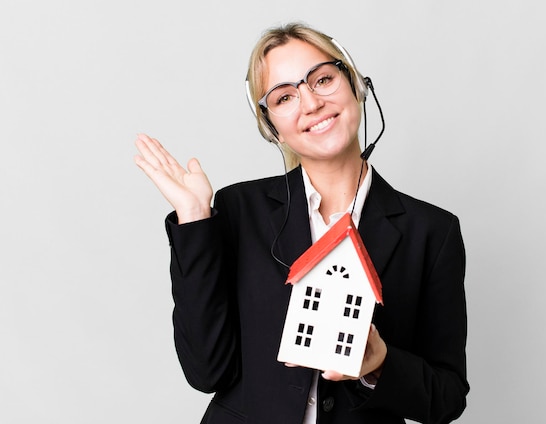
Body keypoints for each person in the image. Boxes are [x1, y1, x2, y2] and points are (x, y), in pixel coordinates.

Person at [134, 22, 468, 424]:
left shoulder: (433, 232)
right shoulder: (239, 209)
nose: (310, 103)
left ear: (357, 85)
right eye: (285, 96)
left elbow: (446, 397)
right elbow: (206, 371)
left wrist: (380, 363)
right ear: (271, 126)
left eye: (323, 79)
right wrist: (194, 219)